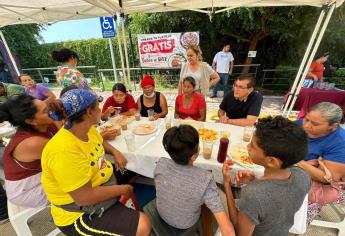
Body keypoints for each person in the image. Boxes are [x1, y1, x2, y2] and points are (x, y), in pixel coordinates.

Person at [41, 89, 151, 235]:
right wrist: (124, 189)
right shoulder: (63, 150)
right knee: (143, 225)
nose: (100, 110)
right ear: (89, 112)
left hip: (101, 184)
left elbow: (100, 141)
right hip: (78, 213)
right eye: (98, 107)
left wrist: (115, 152)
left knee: (132, 168)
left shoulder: (86, 129)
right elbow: (84, 197)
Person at [223, 116, 311, 235]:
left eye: (252, 146)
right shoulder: (303, 175)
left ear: (271, 161)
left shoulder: (253, 194)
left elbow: (239, 233)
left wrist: (227, 184)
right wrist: (256, 181)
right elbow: (278, 200)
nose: (247, 147)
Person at [153, 125, 235, 235]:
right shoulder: (205, 179)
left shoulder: (161, 162)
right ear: (193, 156)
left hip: (162, 212)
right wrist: (226, 181)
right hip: (185, 223)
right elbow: (227, 229)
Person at [0, 94, 59, 208]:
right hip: (27, 190)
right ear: (31, 121)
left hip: (42, 175)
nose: (51, 110)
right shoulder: (33, 143)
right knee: (77, 187)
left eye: (47, 105)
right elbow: (71, 151)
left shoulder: (46, 123)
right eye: (45, 111)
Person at [296, 103, 345, 221]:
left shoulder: (340, 142)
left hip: (319, 186)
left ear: (333, 126)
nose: (307, 125)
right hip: (296, 170)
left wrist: (296, 161)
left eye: (315, 124)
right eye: (306, 119)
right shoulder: (299, 124)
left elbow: (326, 177)